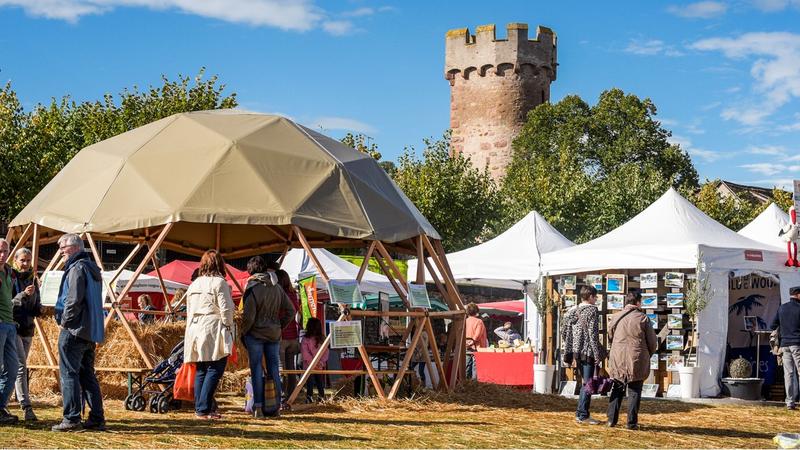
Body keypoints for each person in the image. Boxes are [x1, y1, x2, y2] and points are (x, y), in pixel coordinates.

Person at [52, 234, 105, 432]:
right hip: (90, 331)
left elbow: (73, 300)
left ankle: (72, 419)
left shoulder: (77, 268)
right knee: (87, 375)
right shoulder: (92, 269)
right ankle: (97, 418)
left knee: (69, 374)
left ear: (74, 247)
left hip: (74, 330)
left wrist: (65, 322)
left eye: (62, 247)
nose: (60, 251)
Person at [184, 250, 235, 420]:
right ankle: (204, 409)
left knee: (201, 369)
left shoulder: (194, 284)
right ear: (220, 264)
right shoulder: (219, 283)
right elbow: (226, 309)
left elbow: (189, 310)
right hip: (213, 327)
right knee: (215, 367)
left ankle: (201, 408)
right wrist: (228, 326)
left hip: (195, 328)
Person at [241, 256, 295, 418]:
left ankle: (258, 407)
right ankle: (275, 407)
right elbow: (291, 311)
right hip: (273, 334)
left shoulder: (253, 288)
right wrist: (279, 325)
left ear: (250, 271)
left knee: (257, 370)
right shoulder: (277, 287)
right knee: (274, 370)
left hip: (255, 334)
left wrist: (243, 332)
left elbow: (249, 317)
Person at [606, 289, 657, 430]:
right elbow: (652, 342)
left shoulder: (616, 317)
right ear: (638, 302)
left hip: (618, 357)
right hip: (636, 358)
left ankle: (611, 420)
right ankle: (631, 422)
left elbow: (610, 337)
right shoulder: (643, 318)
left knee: (617, 388)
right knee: (634, 390)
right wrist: (647, 354)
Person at [561, 285, 605, 425]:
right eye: (595, 297)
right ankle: (583, 415)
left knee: (584, 382)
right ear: (591, 296)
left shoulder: (571, 311)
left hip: (576, 351)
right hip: (587, 351)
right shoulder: (592, 310)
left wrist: (573, 345)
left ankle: (581, 413)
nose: (596, 299)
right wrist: (597, 354)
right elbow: (593, 334)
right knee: (588, 383)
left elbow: (564, 332)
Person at [11, 248, 42, 422]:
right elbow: (8, 303)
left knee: (16, 367)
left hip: (28, 328)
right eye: (22, 260)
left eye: (28, 260)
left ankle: (11, 403)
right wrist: (23, 295)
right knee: (21, 366)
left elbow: (36, 302)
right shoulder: (11, 277)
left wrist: (39, 308)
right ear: (15, 260)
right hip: (13, 327)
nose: (25, 264)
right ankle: (26, 406)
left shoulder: (32, 279)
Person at [771, 286, 800, 410]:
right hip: (798, 344)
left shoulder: (782, 308)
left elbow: (773, 324)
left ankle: (790, 402)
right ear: (798, 295)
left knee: (788, 374)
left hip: (784, 345)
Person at [0, 239, 19, 425]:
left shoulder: (9, 272)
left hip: (9, 324)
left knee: (12, 369)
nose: (2, 255)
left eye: (5, 251)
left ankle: (1, 407)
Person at [276, 269, 300, 407]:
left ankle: (281, 399)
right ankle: (291, 396)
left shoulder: (280, 294)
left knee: (281, 369)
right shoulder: (293, 294)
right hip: (293, 337)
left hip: (282, 337)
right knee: (291, 369)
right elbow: (295, 310)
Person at [301, 317, 328, 402]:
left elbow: (305, 353)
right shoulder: (322, 339)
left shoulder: (306, 339)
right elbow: (326, 352)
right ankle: (316, 397)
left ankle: (316, 396)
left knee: (314, 381)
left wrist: (317, 363)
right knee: (315, 381)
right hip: (315, 365)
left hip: (311, 365)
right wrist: (320, 362)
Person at [465, 302, 488, 379]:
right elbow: (477, 335)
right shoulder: (479, 321)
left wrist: (467, 344)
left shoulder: (465, 321)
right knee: (476, 367)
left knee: (467, 366)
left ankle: (466, 384)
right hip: (477, 347)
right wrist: (472, 342)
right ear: (476, 311)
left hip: (466, 347)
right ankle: (474, 385)